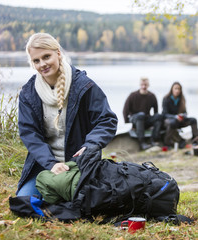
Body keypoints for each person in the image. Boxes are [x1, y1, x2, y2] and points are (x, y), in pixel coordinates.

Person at [16, 33, 118, 197]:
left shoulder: (84, 86)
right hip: (45, 165)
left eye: (46, 56)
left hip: (79, 164)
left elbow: (107, 121)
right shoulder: (28, 94)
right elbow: (29, 134)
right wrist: (51, 164)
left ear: (58, 53)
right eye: (36, 60)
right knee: (24, 200)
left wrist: (90, 145)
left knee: (81, 202)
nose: (42, 64)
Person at [123, 77, 163, 150]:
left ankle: (153, 140)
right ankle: (142, 142)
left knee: (159, 116)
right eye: (142, 84)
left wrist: (153, 123)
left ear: (148, 85)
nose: (144, 86)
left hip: (146, 119)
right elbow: (125, 110)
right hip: (135, 119)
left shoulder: (152, 96)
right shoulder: (133, 95)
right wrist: (128, 123)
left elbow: (156, 112)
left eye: (145, 84)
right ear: (140, 85)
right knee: (141, 115)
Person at [162, 82, 198, 148]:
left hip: (180, 120)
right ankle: (167, 143)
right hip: (169, 120)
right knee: (173, 123)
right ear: (172, 89)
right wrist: (175, 117)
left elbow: (185, 112)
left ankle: (195, 141)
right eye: (175, 88)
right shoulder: (166, 99)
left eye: (179, 89)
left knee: (193, 120)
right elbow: (164, 114)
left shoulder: (182, 99)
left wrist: (183, 115)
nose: (177, 90)